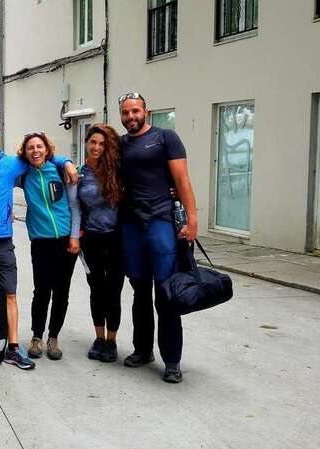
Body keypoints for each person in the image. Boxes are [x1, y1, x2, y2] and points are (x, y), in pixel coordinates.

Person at [0, 128, 77, 370]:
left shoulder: (11, 164)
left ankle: (13, 348)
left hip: (2, 243)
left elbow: (42, 157)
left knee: (10, 294)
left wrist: (67, 161)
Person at [118, 92, 198, 383]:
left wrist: (192, 219)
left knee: (166, 292)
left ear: (146, 112)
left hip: (160, 222)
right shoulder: (121, 143)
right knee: (139, 290)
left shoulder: (166, 137)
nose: (131, 117)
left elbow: (182, 180)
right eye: (126, 113)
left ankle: (172, 361)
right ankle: (143, 350)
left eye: (135, 111)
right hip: (131, 225)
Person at [16, 132, 80, 361]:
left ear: (47, 149)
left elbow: (75, 206)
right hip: (41, 242)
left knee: (61, 292)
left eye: (39, 146)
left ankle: (53, 337)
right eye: (30, 147)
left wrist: (74, 236)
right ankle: (37, 336)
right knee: (42, 290)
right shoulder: (23, 176)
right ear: (24, 153)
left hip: (65, 240)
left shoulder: (61, 171)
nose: (35, 151)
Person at [77, 124, 124, 363]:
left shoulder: (117, 170)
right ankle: (98, 338)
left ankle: (111, 340)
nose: (97, 147)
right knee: (96, 290)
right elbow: (76, 207)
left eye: (102, 144)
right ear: (86, 143)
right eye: (93, 142)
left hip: (117, 239)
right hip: (91, 240)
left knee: (113, 292)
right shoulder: (79, 173)